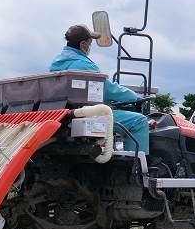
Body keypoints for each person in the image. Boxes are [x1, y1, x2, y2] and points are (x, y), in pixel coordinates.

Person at [49, 24, 149, 155]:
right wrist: (134, 97)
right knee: (139, 121)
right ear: (83, 44)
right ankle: (137, 170)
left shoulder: (56, 62)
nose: (90, 47)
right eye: (90, 43)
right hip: (87, 114)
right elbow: (108, 90)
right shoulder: (83, 64)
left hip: (66, 113)